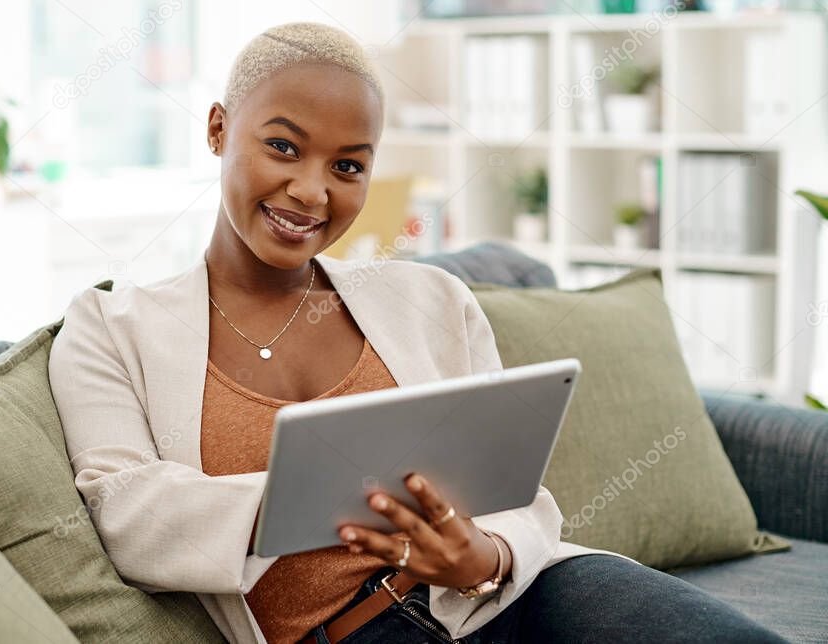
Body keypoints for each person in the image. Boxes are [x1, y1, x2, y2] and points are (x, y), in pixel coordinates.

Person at [47, 22, 788, 644]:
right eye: (283, 147)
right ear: (217, 128)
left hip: (521, 600)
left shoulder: (430, 299)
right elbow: (127, 510)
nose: (312, 191)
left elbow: (517, 494)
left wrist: (484, 556)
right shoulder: (112, 327)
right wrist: (317, 494)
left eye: (347, 165)